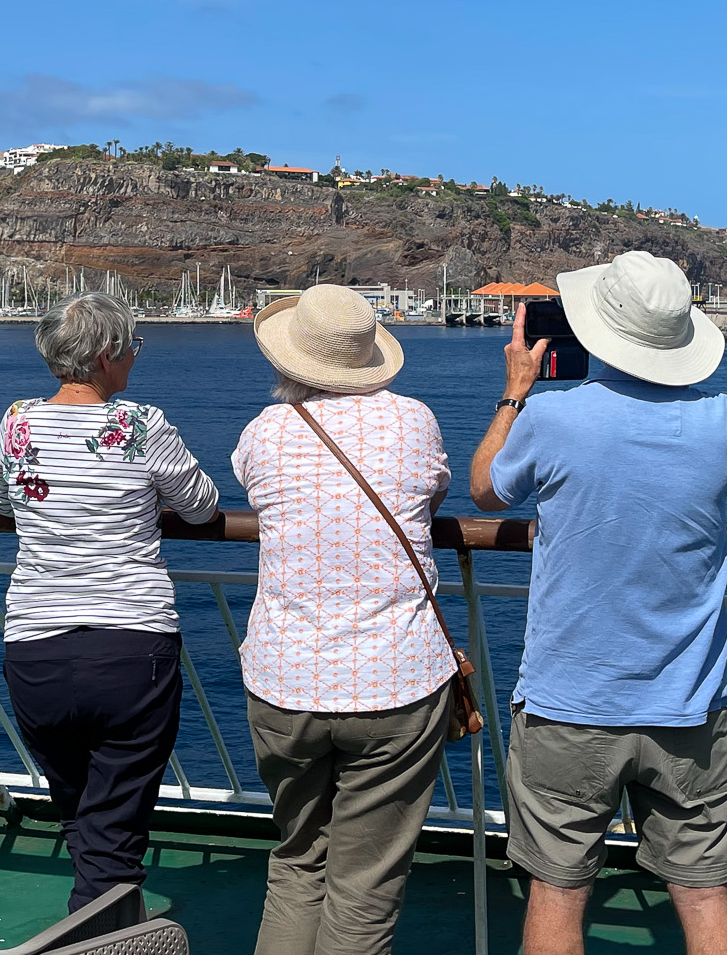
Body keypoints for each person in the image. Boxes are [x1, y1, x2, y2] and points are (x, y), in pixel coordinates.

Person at [470, 251, 727, 955]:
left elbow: (486, 491)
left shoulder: (555, 417)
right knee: (706, 892)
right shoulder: (726, 420)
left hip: (571, 702)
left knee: (557, 893)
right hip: (693, 704)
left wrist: (515, 392)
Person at [232, 285, 454, 955]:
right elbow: (433, 494)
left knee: (299, 861)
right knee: (364, 887)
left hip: (286, 680)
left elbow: (255, 487)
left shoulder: (265, 432)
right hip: (397, 680)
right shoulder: (414, 421)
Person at [0, 292, 219, 912]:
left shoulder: (18, 420)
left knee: (81, 814)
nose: (136, 358)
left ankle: (94, 926)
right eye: (133, 347)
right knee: (114, 827)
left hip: (35, 648)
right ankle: (107, 938)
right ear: (108, 355)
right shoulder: (141, 423)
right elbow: (201, 507)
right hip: (131, 647)